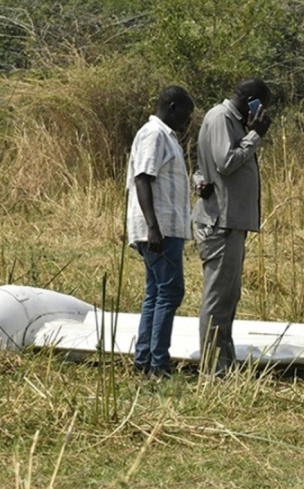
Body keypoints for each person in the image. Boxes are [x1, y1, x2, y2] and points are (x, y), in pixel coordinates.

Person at [191, 78, 272, 376]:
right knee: (217, 301)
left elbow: (204, 167)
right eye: (262, 106)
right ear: (252, 100)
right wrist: (255, 135)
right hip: (220, 224)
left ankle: (223, 364)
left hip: (229, 221)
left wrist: (200, 182)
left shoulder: (225, 119)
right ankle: (213, 370)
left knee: (227, 298)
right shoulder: (222, 117)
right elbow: (225, 162)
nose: (263, 113)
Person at [126, 86, 195, 378]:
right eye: (187, 114)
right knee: (170, 291)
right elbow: (143, 178)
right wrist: (153, 227)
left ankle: (145, 360)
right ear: (172, 105)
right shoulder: (154, 134)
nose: (188, 121)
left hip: (166, 227)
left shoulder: (168, 137)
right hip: (159, 229)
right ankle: (158, 364)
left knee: (156, 292)